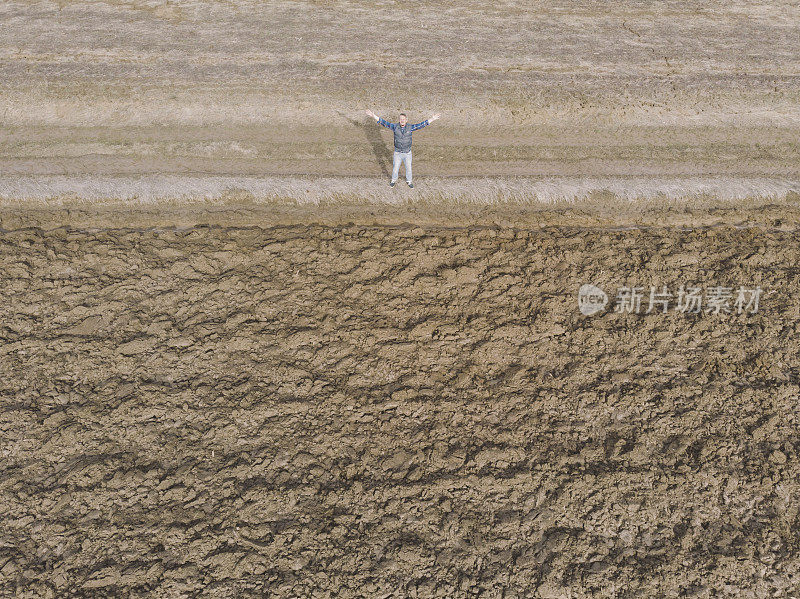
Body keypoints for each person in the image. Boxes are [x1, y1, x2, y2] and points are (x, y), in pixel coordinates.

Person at [365, 110, 440, 188]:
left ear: (406, 120)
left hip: (407, 153)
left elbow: (421, 125)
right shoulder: (395, 127)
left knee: (409, 169)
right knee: (395, 169)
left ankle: (409, 181)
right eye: (401, 119)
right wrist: (374, 116)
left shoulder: (410, 127)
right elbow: (384, 122)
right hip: (397, 153)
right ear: (399, 120)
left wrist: (432, 118)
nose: (402, 120)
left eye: (403, 119)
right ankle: (393, 180)